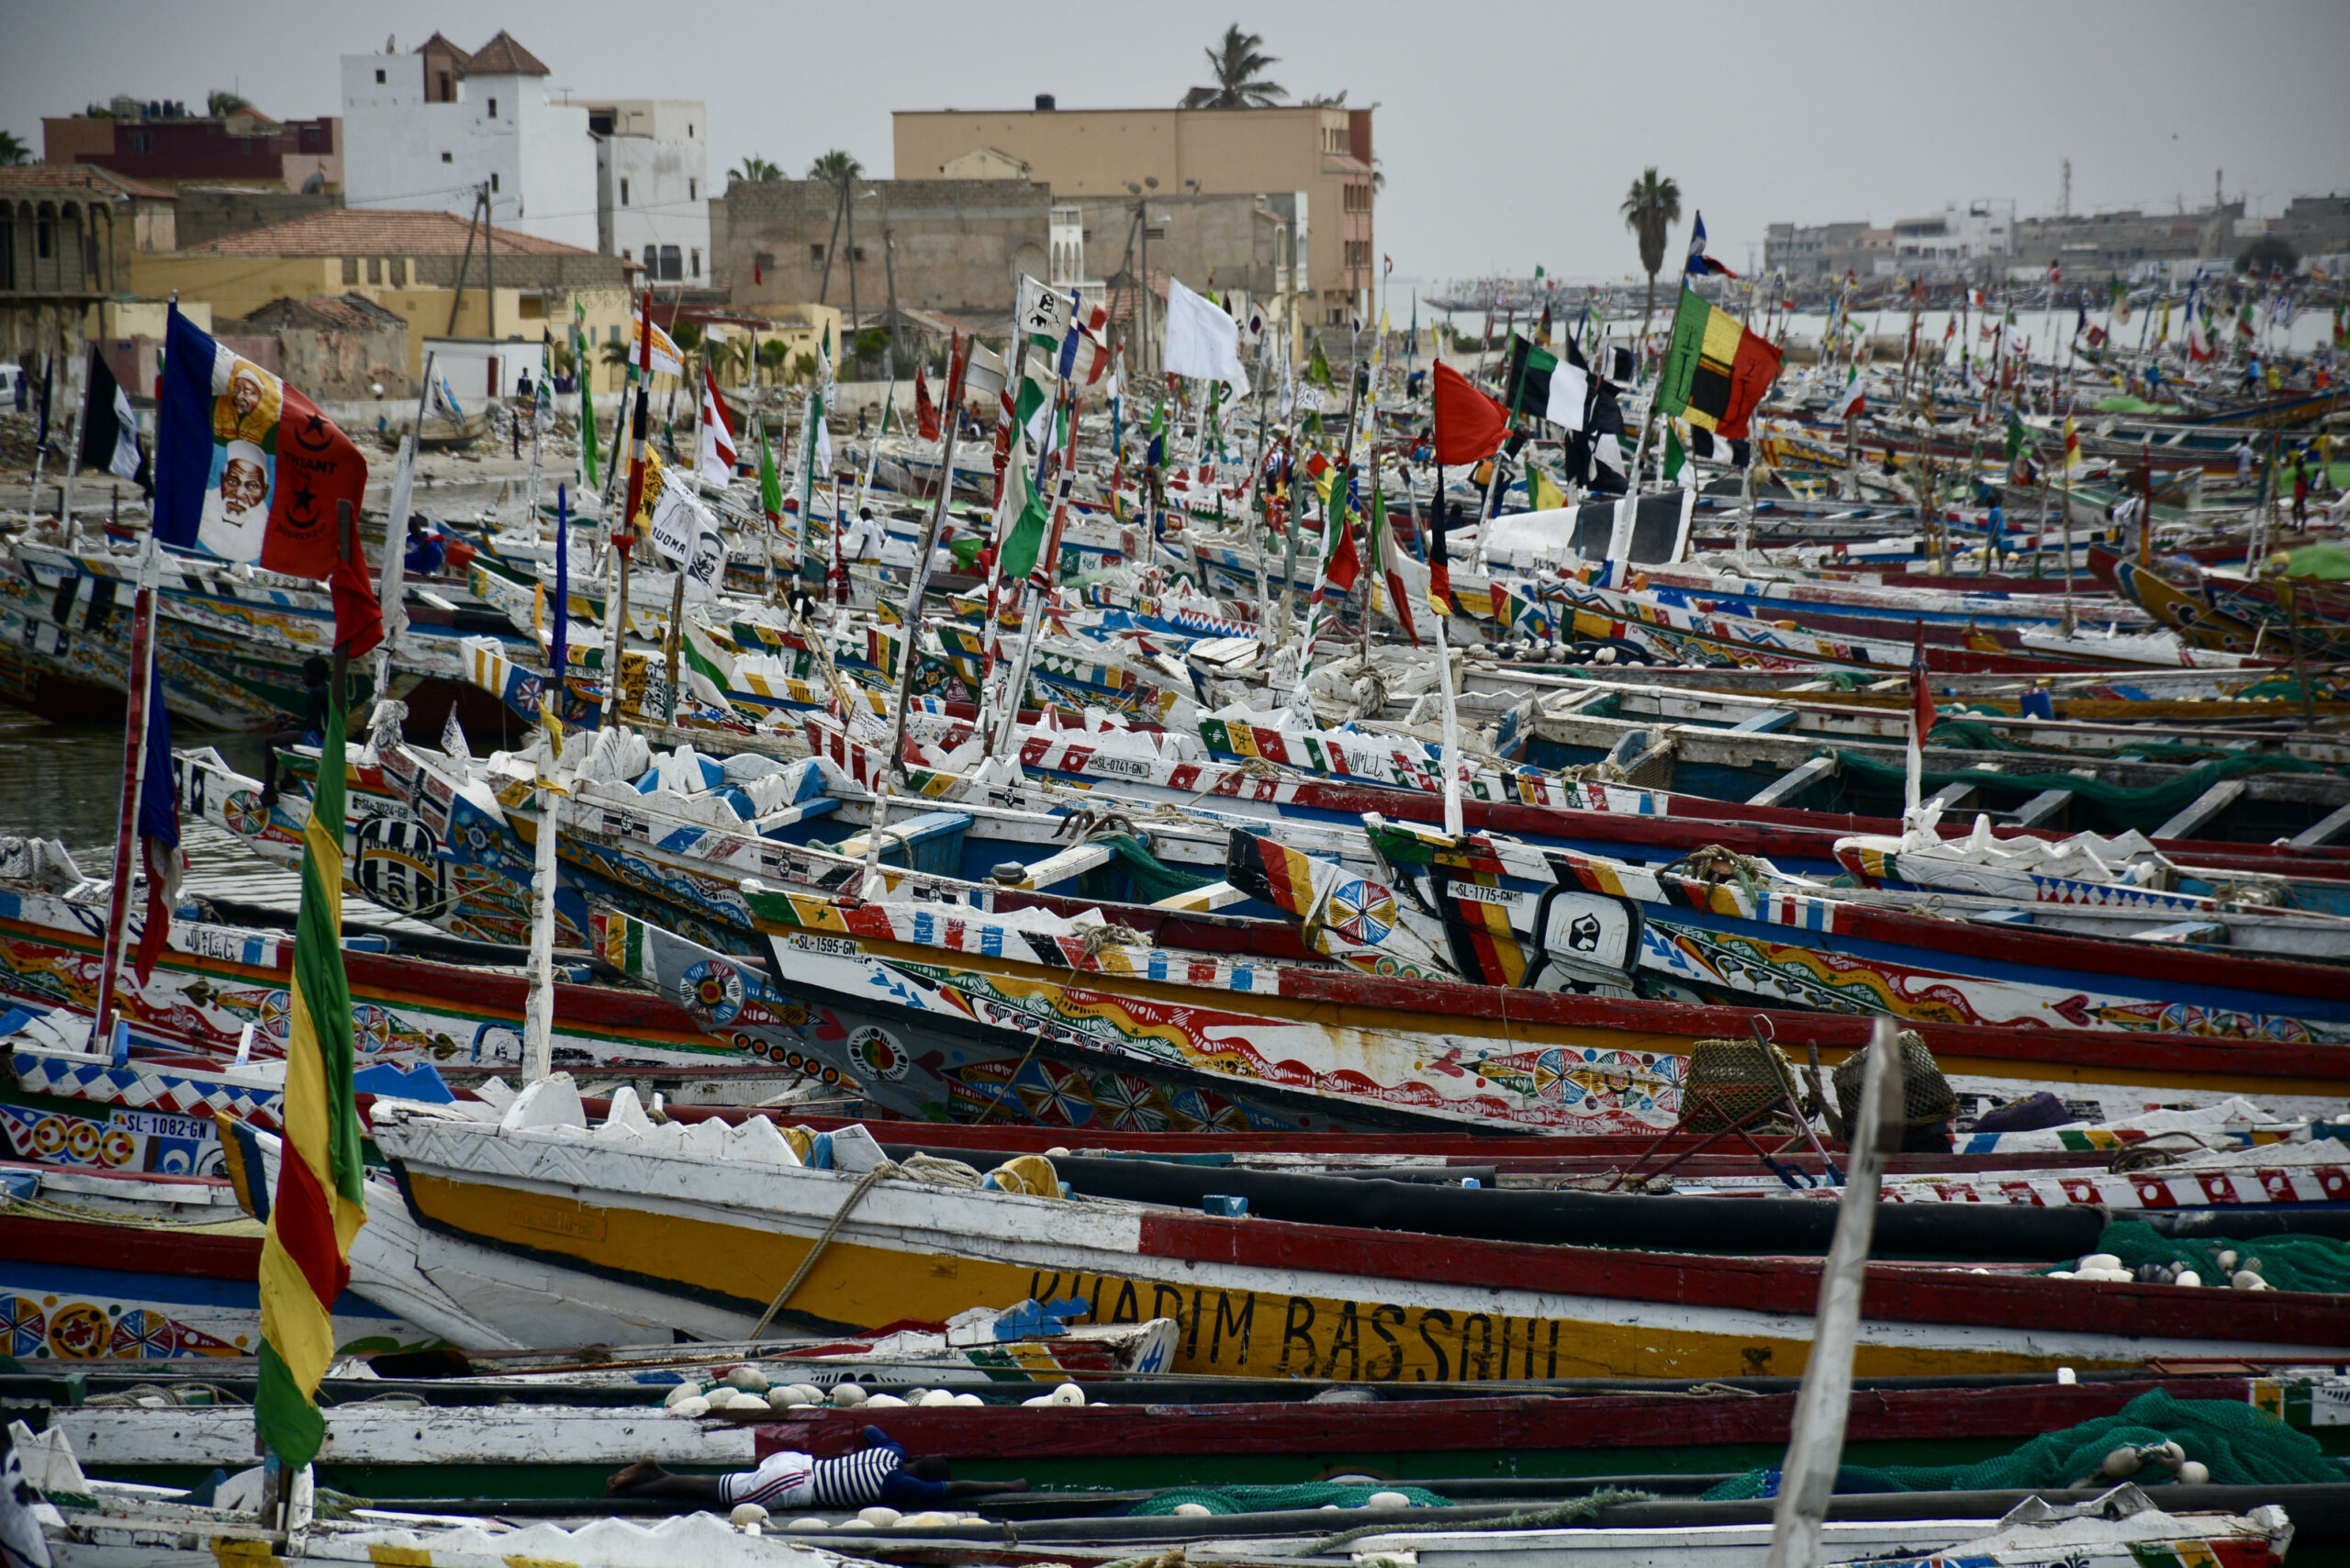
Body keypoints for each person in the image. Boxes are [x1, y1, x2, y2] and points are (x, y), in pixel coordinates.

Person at [607, 1425, 1027, 1513]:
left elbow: (870, 1428)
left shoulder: (892, 1455)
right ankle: (638, 1486)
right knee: (716, 1493)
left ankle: (654, 1472)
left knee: (722, 1485)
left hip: (796, 1464)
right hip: (793, 1484)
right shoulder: (900, 1486)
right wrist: (1008, 1485)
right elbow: (958, 1490)